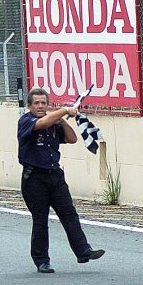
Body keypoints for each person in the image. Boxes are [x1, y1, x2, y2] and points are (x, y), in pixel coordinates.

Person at [17, 88, 105, 273]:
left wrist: (62, 120)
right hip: (34, 178)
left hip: (55, 175)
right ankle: (42, 260)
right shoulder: (26, 121)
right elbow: (42, 123)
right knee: (40, 220)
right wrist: (64, 110)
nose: (40, 106)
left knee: (69, 214)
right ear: (30, 106)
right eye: (36, 103)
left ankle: (83, 251)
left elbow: (72, 139)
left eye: (43, 103)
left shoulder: (53, 122)